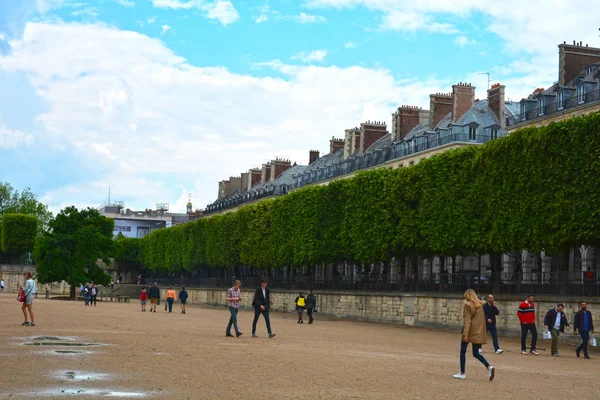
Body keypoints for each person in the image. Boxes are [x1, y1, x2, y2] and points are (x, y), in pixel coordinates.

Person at [453, 289, 495, 381]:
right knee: (476, 353)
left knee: (463, 351)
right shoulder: (480, 305)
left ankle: (462, 373)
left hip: (469, 331)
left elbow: (467, 321)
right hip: (478, 331)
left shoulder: (468, 305)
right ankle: (488, 366)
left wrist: (465, 334)